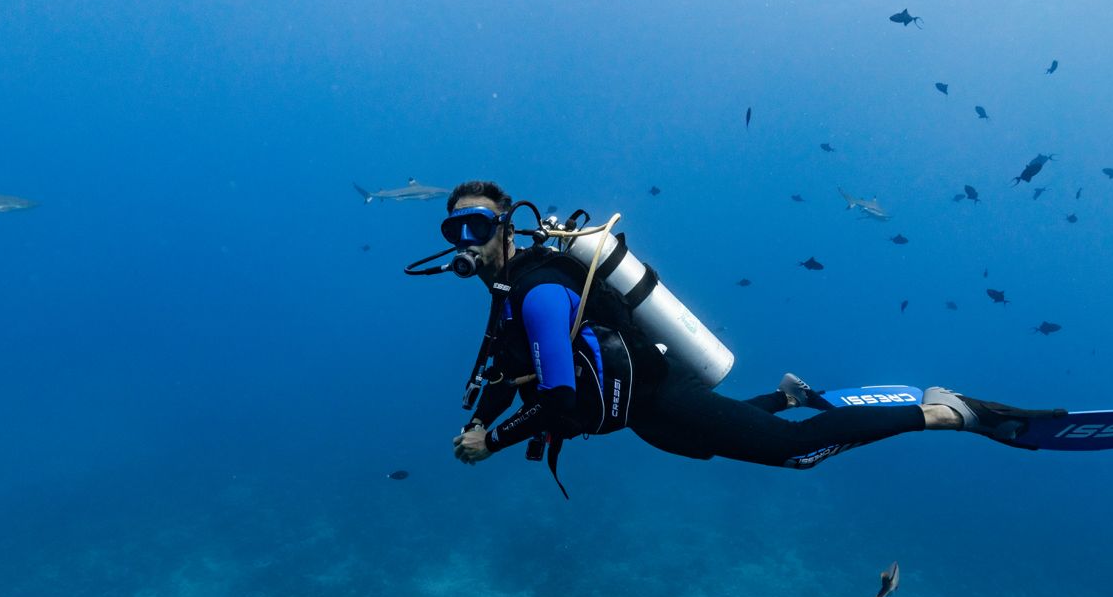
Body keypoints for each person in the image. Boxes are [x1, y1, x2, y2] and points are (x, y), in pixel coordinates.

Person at [437, 181, 1059, 475]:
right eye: (455, 230)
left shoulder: (539, 290)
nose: (468, 241)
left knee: (791, 452)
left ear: (507, 229)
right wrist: (481, 417)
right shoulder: (505, 290)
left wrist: (492, 442)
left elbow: (560, 405)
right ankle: (787, 397)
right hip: (638, 411)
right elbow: (502, 364)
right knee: (709, 440)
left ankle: (944, 412)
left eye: (479, 226)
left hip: (653, 395)